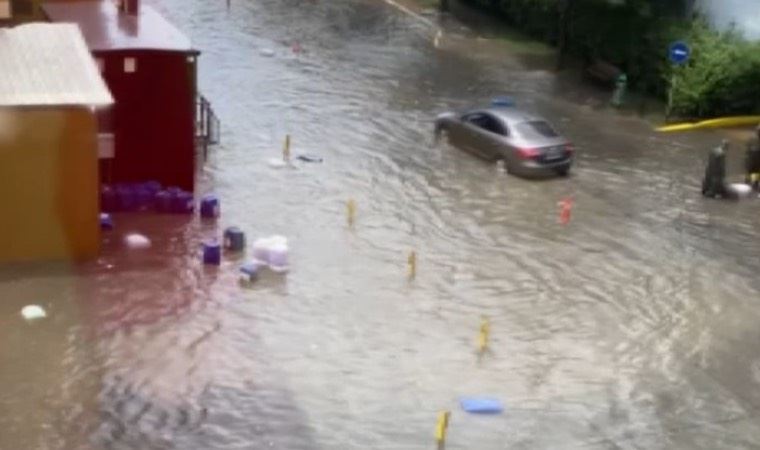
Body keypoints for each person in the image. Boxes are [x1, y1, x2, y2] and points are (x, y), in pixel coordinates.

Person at [744, 124, 760, 190]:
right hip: (752, 156)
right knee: (750, 169)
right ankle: (747, 181)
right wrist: (746, 156)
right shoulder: (752, 138)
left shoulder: (753, 138)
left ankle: (755, 182)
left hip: (758, 156)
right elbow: (748, 147)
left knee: (757, 170)